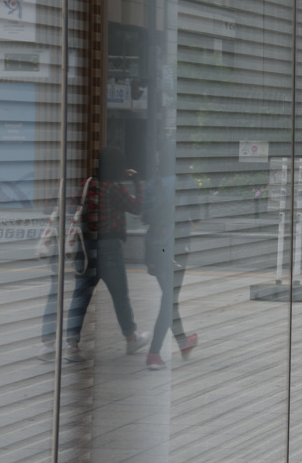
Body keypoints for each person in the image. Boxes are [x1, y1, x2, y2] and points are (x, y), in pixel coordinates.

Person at [64, 147, 149, 361]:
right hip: (109, 246)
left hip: (86, 246)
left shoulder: (88, 184)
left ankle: (72, 345)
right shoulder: (114, 188)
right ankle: (131, 338)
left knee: (80, 295)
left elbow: (71, 206)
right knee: (120, 295)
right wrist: (137, 181)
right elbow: (136, 208)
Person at [142, 165, 200, 370]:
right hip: (176, 247)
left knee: (169, 298)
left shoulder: (152, 183)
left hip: (154, 246)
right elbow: (197, 216)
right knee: (169, 300)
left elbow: (145, 217)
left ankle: (183, 342)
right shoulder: (188, 183)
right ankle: (154, 352)